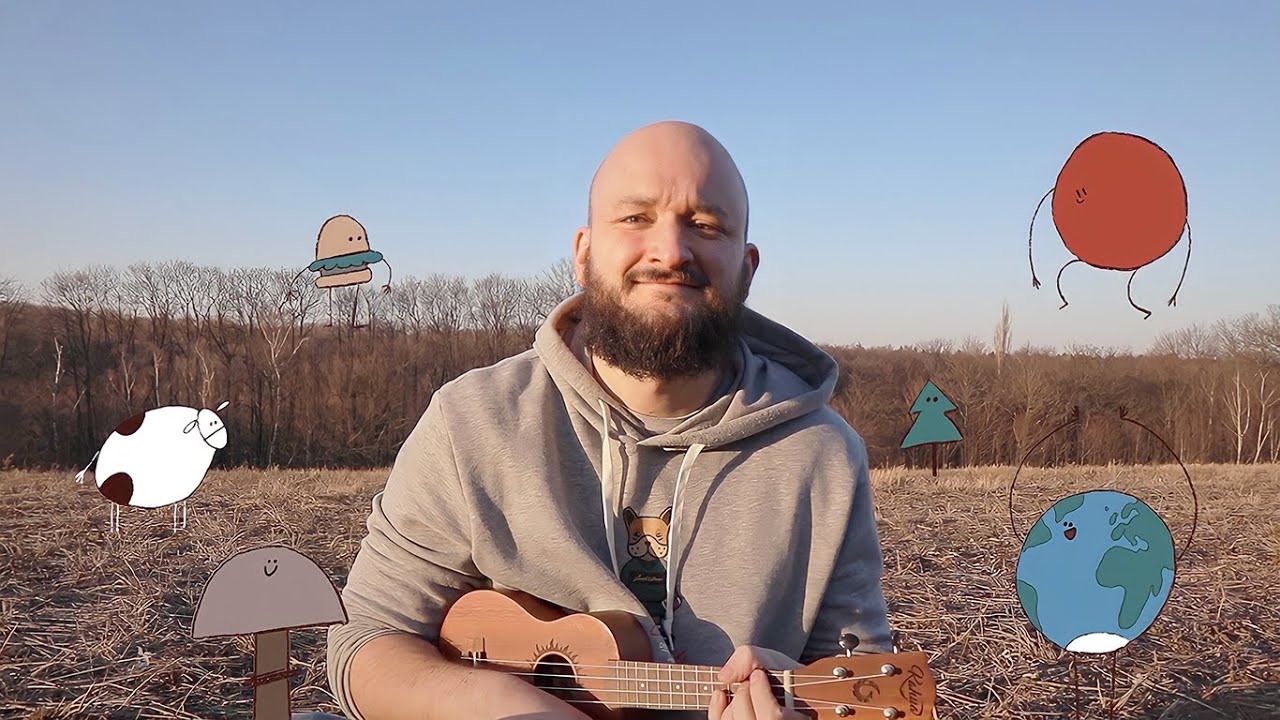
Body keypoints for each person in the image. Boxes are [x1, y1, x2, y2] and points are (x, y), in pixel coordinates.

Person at [323, 120, 893, 720]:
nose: (670, 251)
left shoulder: (824, 454)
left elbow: (863, 679)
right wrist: (496, 702)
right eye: (635, 217)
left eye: (705, 225)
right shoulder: (473, 421)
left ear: (747, 269)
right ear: (584, 253)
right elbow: (364, 642)